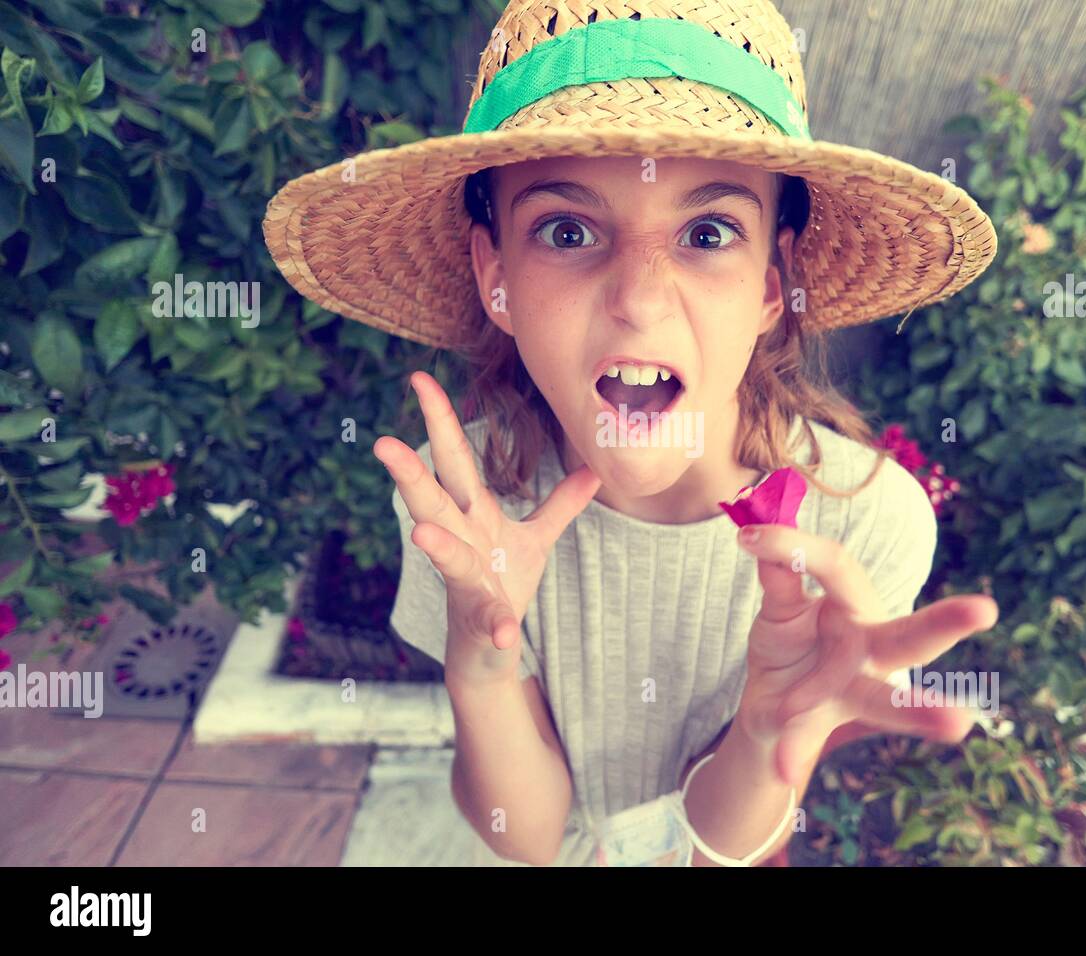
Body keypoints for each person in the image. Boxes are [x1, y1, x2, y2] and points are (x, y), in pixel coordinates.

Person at [263, 0, 1000, 867]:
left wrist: (763, 739)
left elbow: (727, 847)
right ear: (495, 276)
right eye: (567, 231)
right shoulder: (464, 508)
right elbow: (527, 838)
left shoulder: (865, 524)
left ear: (773, 285)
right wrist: (484, 658)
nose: (641, 300)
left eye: (708, 232)